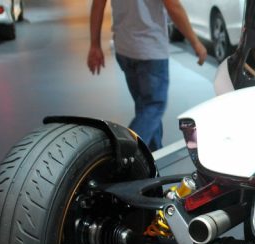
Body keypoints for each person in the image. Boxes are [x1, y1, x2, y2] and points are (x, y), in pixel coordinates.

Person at [87, 0, 207, 151]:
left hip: (124, 48)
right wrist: (195, 42)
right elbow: (173, 6)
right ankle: (124, 151)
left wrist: (95, 44)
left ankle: (153, 153)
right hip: (150, 50)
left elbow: (98, 4)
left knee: (145, 108)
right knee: (153, 106)